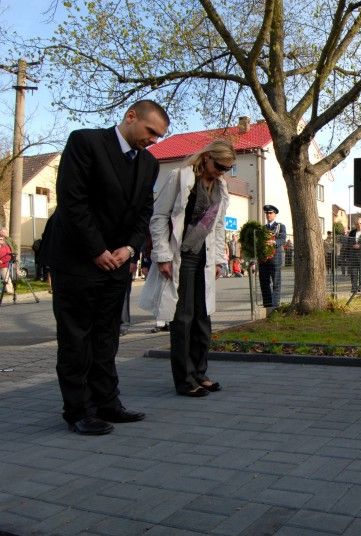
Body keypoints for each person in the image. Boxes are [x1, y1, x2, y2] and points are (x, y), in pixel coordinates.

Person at [40, 99, 169, 435]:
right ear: (131, 117)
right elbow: (73, 201)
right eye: (150, 131)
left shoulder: (150, 164)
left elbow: (144, 212)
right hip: (77, 259)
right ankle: (79, 410)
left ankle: (108, 403)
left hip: (118, 263)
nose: (153, 140)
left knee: (107, 336)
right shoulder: (86, 142)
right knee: (76, 338)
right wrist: (97, 250)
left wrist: (129, 248)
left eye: (159, 136)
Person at [145, 139, 232, 397]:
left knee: (203, 317)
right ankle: (184, 379)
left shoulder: (220, 187)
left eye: (227, 168)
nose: (221, 171)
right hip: (181, 255)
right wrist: (162, 255)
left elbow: (217, 226)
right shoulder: (180, 177)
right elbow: (159, 216)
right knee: (182, 318)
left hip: (204, 257)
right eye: (219, 165)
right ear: (206, 157)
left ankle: (200, 372)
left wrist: (218, 259)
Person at [258, 204, 287, 311]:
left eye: (270, 213)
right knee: (264, 282)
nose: (268, 215)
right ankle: (267, 305)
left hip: (275, 259)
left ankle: (275, 306)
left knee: (276, 283)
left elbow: (283, 239)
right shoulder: (262, 228)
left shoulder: (280, 226)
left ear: (275, 214)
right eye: (267, 213)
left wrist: (274, 242)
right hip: (263, 260)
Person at [347, 217, 361, 291]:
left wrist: (360, 246)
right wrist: (352, 245)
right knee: (353, 274)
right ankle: (354, 288)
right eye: (357, 224)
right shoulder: (352, 232)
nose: (359, 225)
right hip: (354, 257)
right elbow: (348, 242)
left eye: (360, 223)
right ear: (355, 225)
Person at [0, 228, 14, 296]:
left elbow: (8, 256)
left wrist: (2, 261)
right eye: (0, 239)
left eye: (1, 239)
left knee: (6, 278)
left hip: (4, 265)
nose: (0, 240)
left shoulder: (6, 247)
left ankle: (9, 291)